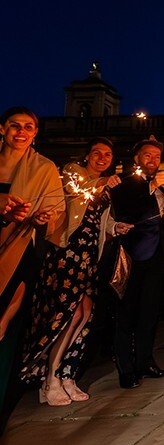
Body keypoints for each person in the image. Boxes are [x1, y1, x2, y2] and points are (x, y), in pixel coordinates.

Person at [20, 138, 120, 405]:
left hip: (88, 255)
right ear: (86, 156)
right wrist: (101, 183)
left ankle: (67, 374)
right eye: (97, 153)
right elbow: (75, 196)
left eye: (108, 154)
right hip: (67, 250)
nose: (102, 158)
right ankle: (49, 379)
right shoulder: (72, 172)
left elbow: (100, 220)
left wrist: (114, 227)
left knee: (85, 314)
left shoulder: (105, 188)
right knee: (68, 312)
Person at [0, 107, 65, 428]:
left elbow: (56, 212)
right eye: (14, 126)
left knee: (4, 325)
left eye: (29, 127)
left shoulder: (44, 168)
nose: (21, 132)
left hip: (20, 250)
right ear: (2, 129)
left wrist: (42, 218)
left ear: (36, 132)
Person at [109, 137, 164, 389]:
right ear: (136, 159)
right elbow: (128, 215)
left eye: (157, 157)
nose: (153, 160)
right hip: (130, 255)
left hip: (156, 256)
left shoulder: (162, 186)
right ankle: (126, 370)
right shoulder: (124, 184)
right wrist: (149, 189)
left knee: (150, 312)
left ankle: (145, 363)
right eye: (147, 156)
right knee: (126, 313)